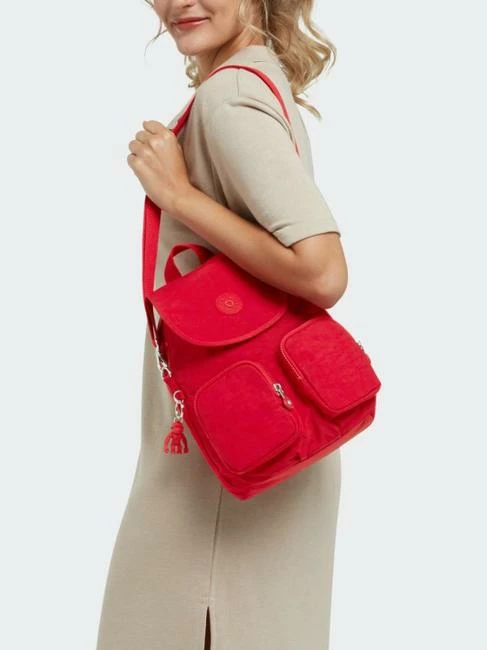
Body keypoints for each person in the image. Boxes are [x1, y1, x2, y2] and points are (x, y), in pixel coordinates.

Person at [96, 1, 348, 649]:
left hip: (229, 464)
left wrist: (178, 197)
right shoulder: (252, 78)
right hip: (251, 440)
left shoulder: (229, 97)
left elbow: (322, 271)